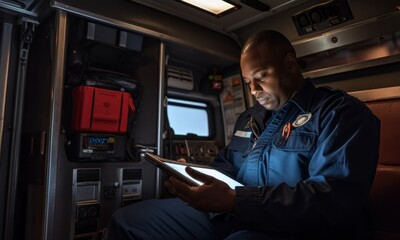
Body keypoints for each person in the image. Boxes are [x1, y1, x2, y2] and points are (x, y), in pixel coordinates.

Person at [106, 30, 380, 240]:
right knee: (128, 221)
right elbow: (225, 165)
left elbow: (331, 199)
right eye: (248, 82)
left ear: (290, 63)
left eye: (261, 76)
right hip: (231, 213)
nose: (253, 90)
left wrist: (237, 201)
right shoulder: (249, 119)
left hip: (294, 228)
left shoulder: (340, 114)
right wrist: (192, 176)